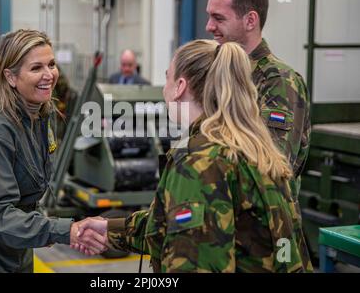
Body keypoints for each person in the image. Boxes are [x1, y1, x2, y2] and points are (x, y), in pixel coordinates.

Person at [73, 40, 314, 273]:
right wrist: (110, 229)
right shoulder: (256, 147)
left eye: (167, 77)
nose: (163, 88)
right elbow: (180, 225)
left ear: (179, 87)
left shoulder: (200, 162)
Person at [0, 29, 105, 273]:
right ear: (11, 77)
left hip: (16, 246)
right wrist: (64, 231)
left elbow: (25, 196)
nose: (49, 75)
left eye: (51, 64)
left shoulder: (40, 114)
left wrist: (57, 230)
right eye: (36, 68)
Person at [205, 0, 310, 199]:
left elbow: (271, 167)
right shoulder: (221, 73)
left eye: (218, 18)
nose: (209, 26)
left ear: (250, 21)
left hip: (263, 226)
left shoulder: (279, 81)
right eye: (209, 17)